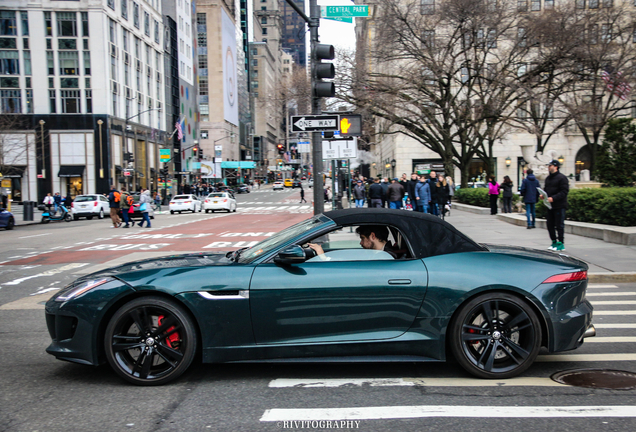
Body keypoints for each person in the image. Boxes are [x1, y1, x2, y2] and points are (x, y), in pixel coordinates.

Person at [308, 225, 397, 259]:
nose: (360, 243)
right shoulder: (378, 253)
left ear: (373, 236)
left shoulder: (384, 257)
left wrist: (323, 257)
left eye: (362, 238)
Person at [542, 160, 569, 251]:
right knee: (550, 224)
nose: (549, 167)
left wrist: (554, 198)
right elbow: (546, 190)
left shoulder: (562, 178)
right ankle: (553, 241)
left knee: (559, 225)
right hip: (550, 206)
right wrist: (543, 195)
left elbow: (564, 192)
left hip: (559, 205)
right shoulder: (548, 178)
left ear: (556, 167)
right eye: (548, 166)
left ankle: (560, 243)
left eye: (550, 165)